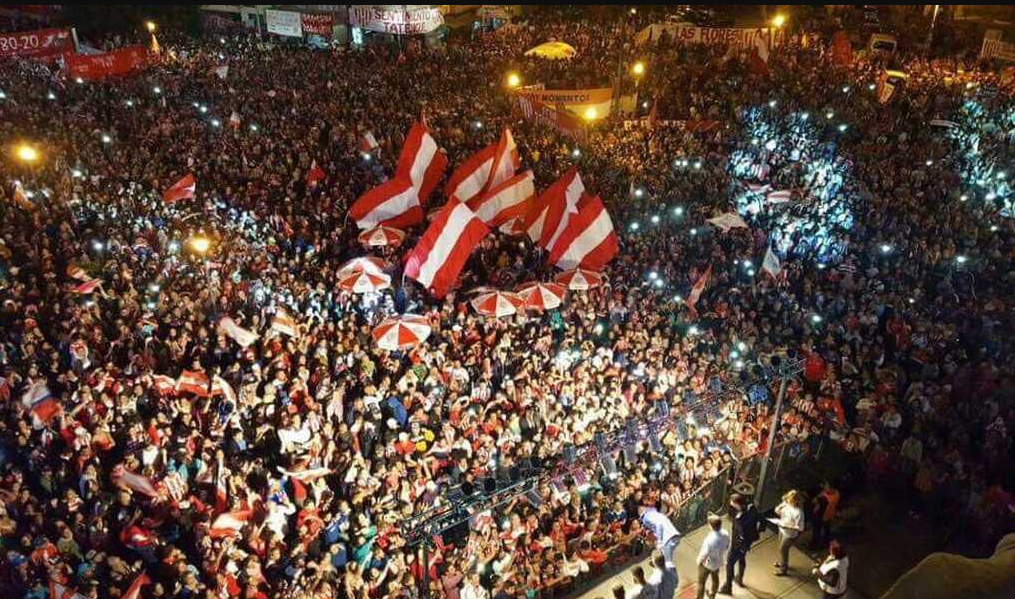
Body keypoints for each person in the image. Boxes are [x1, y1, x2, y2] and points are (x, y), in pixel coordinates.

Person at [720, 492, 760, 594]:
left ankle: (728, 587)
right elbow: (761, 522)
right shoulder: (752, 508)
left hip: (737, 545)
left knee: (729, 564)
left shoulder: (739, 519)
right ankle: (740, 579)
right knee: (742, 558)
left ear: (737, 504)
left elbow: (741, 535)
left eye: (732, 503)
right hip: (748, 542)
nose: (731, 504)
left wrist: (741, 546)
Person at [640, 508, 681, 599]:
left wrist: (659, 542)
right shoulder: (658, 515)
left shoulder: (646, 517)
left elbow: (659, 526)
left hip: (667, 539)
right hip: (673, 537)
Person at [696, 514, 730, 599]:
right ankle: (712, 595)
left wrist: (699, 561)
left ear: (711, 526)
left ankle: (699, 597)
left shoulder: (709, 539)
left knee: (701, 582)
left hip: (707, 564)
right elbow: (726, 546)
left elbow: (704, 554)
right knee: (715, 578)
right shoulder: (725, 534)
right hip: (718, 562)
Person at [773, 490, 805, 576]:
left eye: (790, 500)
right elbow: (777, 511)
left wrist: (788, 526)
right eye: (788, 499)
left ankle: (783, 569)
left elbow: (800, 528)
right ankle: (782, 563)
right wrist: (780, 507)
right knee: (781, 548)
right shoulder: (786, 504)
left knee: (783, 550)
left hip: (790, 534)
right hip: (782, 529)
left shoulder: (799, 512)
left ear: (796, 501)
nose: (788, 501)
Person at [811, 481, 840, 551]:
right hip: (829, 515)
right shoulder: (837, 493)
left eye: (826, 486)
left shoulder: (824, 497)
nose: (825, 487)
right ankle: (824, 544)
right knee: (826, 531)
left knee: (817, 531)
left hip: (821, 516)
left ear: (830, 488)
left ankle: (816, 546)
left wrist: (819, 497)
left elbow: (814, 502)